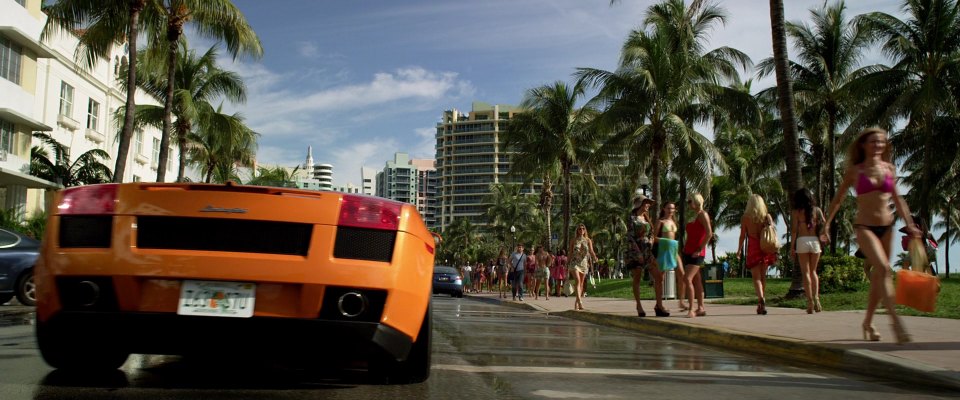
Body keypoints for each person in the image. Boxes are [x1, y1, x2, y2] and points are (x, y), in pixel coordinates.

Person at [823, 127, 916, 344]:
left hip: (887, 227)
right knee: (883, 269)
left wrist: (910, 224)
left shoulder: (889, 168)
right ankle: (896, 322)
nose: (878, 146)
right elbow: (838, 200)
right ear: (863, 145)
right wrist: (826, 225)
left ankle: (868, 322)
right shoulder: (855, 171)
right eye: (874, 142)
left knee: (878, 277)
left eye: (882, 142)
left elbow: (898, 200)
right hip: (864, 226)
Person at [625, 194, 668, 317]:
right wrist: (637, 252)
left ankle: (659, 305)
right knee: (637, 277)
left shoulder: (646, 218)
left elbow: (651, 234)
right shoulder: (632, 218)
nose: (648, 205)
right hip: (635, 252)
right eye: (646, 203)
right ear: (639, 204)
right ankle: (639, 305)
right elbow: (630, 237)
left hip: (647, 251)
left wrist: (650, 240)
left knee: (659, 277)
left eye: (649, 203)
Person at [736, 194, 777, 315]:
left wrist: (739, 250)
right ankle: (761, 303)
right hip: (765, 246)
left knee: (756, 278)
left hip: (753, 246)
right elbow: (772, 231)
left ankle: (761, 299)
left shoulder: (745, 218)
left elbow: (743, 236)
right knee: (763, 277)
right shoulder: (766, 216)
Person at [791, 188, 825, 314]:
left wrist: (792, 247)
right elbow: (824, 225)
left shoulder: (796, 212)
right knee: (813, 272)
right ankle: (816, 298)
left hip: (802, 241)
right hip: (815, 241)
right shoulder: (817, 210)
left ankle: (810, 301)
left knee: (805, 273)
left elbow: (794, 231)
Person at [682, 193, 711, 318]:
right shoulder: (693, 216)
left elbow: (709, 233)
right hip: (688, 251)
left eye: (690, 201)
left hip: (696, 253)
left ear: (696, 201)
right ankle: (701, 308)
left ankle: (691, 309)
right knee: (696, 280)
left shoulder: (703, 214)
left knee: (687, 279)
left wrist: (699, 249)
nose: (688, 204)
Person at [653, 202, 685, 311]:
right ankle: (659, 304)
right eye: (668, 208)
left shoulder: (674, 221)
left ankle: (681, 301)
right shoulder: (660, 222)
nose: (671, 210)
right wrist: (665, 241)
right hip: (663, 250)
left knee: (681, 273)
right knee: (660, 278)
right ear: (664, 209)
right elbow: (653, 238)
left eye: (672, 208)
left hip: (674, 249)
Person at [568, 224, 599, 311]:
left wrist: (595, 258)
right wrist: (567, 262)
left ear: (585, 230)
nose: (581, 230)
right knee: (577, 281)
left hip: (584, 263)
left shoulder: (588, 240)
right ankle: (580, 302)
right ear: (577, 230)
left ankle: (577, 302)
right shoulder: (573, 240)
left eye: (583, 228)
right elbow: (570, 252)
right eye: (579, 229)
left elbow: (591, 251)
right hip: (574, 263)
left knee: (581, 284)